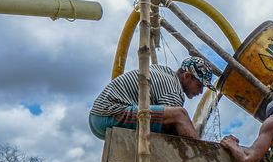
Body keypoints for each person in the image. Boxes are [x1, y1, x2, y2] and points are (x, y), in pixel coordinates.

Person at [88, 56, 217, 140]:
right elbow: (173, 129)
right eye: (199, 85)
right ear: (187, 76)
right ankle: (201, 157)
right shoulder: (173, 89)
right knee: (179, 115)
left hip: (99, 115)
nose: (200, 91)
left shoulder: (165, 72)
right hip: (110, 113)